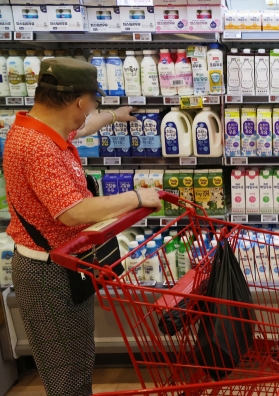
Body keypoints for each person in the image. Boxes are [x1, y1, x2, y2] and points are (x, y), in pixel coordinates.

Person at [4, 58, 162, 396]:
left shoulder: (38, 126)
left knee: (76, 360)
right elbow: (73, 213)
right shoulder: (39, 148)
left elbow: (85, 127)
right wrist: (136, 197)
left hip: (60, 265)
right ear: (79, 102)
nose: (92, 110)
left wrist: (115, 115)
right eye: (94, 102)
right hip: (48, 275)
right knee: (68, 377)